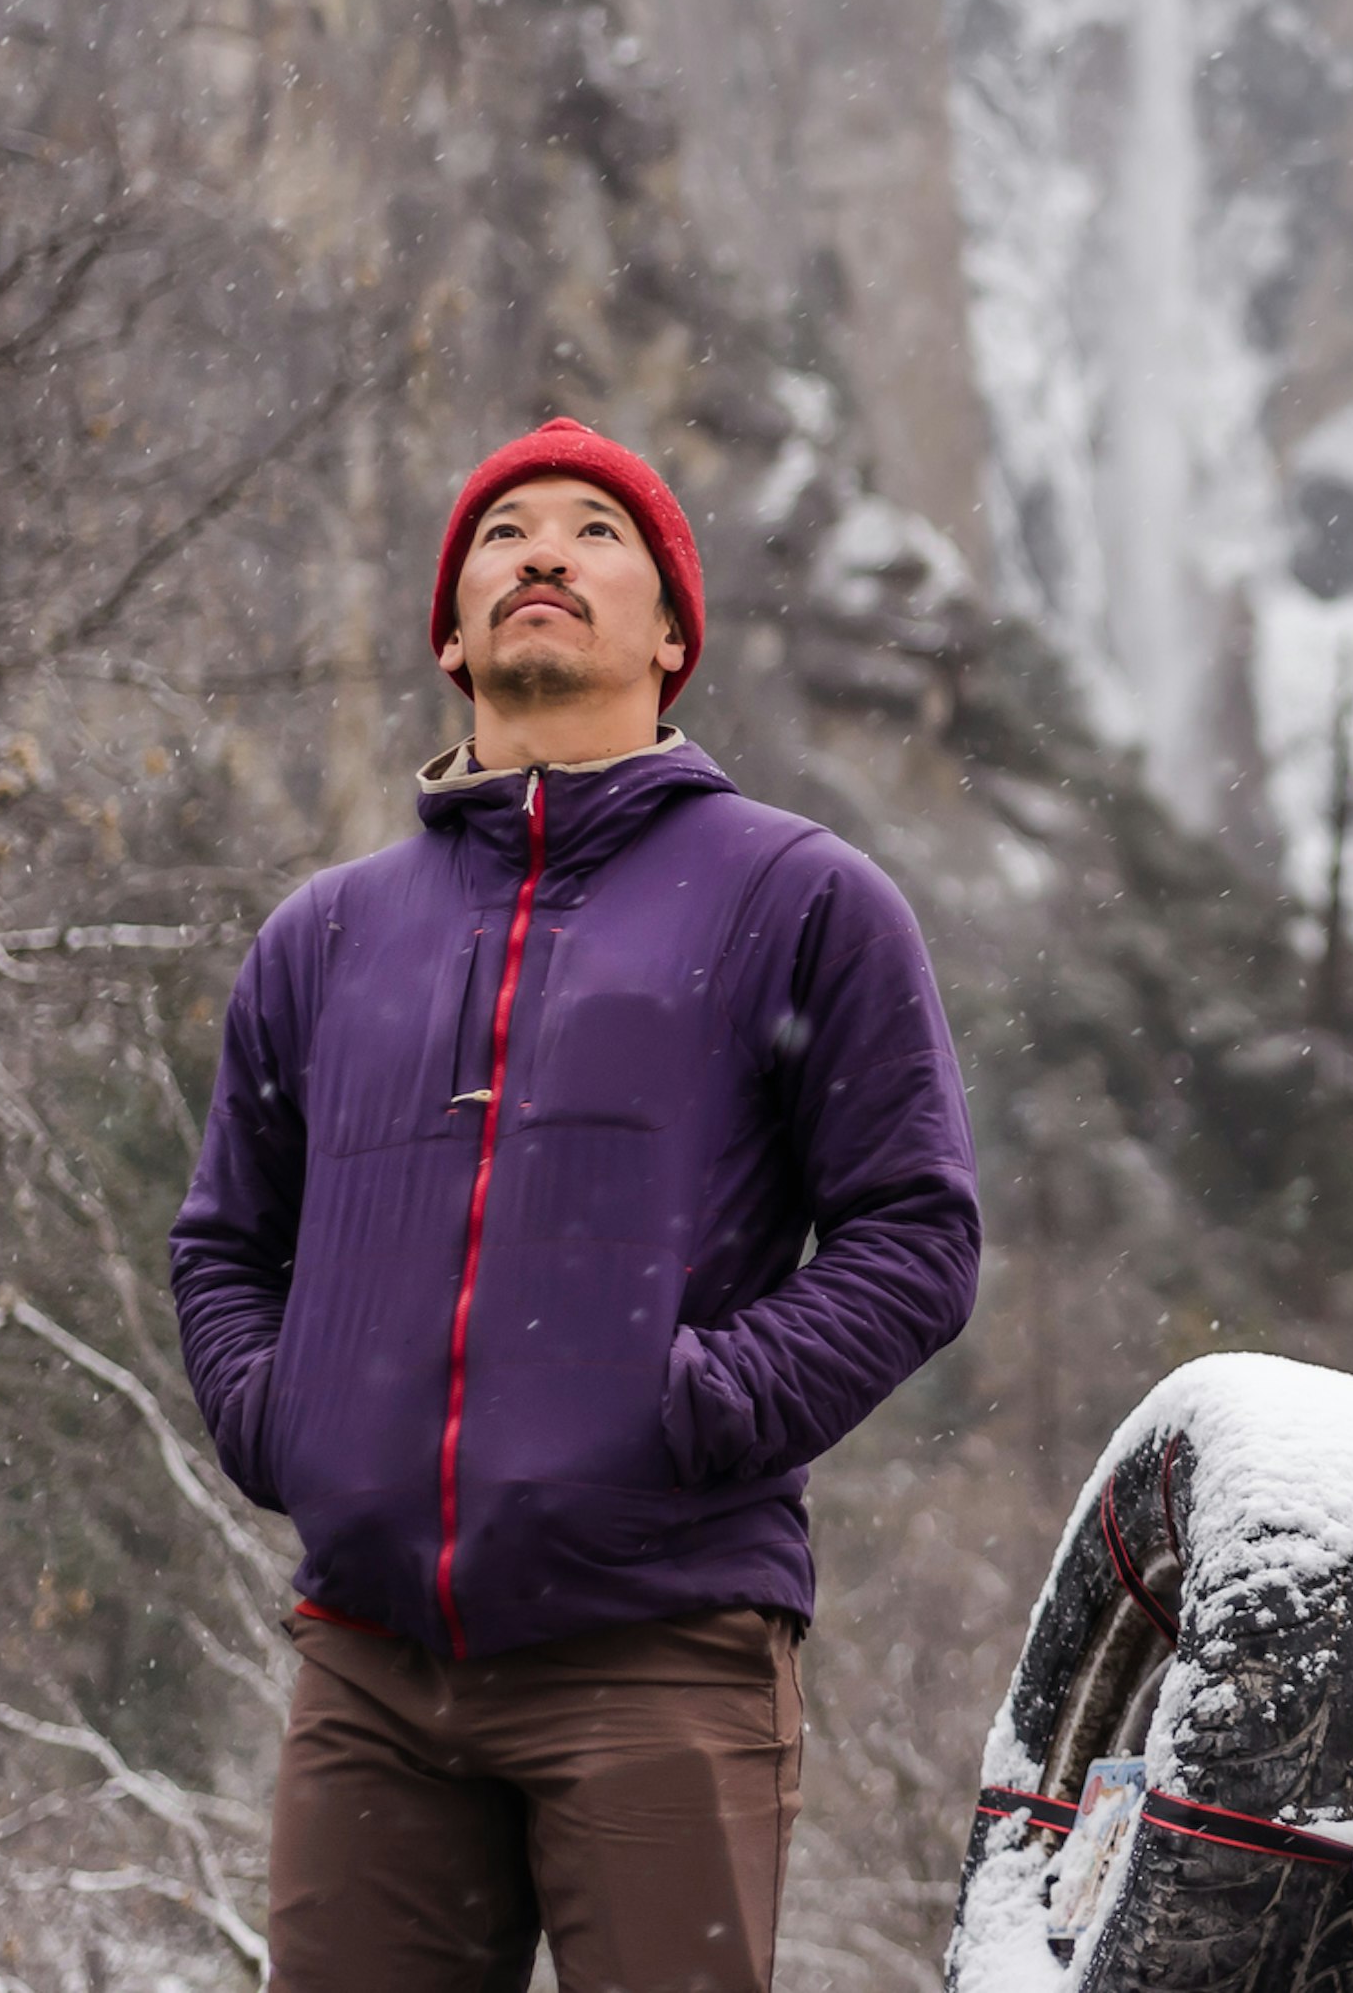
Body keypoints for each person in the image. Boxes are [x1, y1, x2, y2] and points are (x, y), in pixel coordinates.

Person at [169, 418, 983, 1991]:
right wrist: (289, 1426)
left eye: (596, 531)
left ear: (674, 633)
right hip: (368, 1664)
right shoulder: (324, 940)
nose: (542, 552)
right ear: (452, 627)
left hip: (661, 1645)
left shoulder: (800, 898)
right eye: (502, 533)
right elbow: (224, 1243)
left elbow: (915, 1236)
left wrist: (689, 1408)